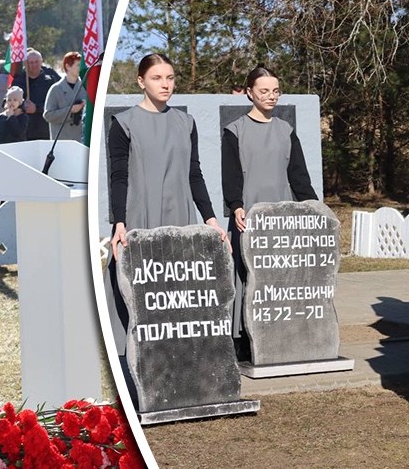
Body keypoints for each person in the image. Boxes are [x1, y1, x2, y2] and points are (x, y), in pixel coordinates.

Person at [107, 53, 227, 329]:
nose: (165, 84)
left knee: (180, 296)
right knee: (144, 298)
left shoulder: (186, 123)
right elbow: (119, 177)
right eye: (157, 78)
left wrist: (211, 220)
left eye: (170, 78)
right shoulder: (123, 123)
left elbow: (194, 174)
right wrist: (119, 222)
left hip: (181, 219)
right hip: (142, 219)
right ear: (141, 81)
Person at [220, 66, 317, 361]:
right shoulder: (234, 131)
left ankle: (282, 336)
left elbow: (299, 177)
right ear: (249, 92)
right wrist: (236, 205)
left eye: (275, 90)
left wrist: (315, 208)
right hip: (248, 217)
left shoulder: (286, 130)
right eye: (264, 91)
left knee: (280, 278)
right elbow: (231, 176)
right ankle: (244, 341)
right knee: (247, 278)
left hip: (281, 217)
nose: (271, 96)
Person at [11, 49, 61, 140]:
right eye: (31, 62)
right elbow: (8, 103)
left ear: (41, 62)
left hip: (44, 131)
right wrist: (22, 107)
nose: (34, 65)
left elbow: (56, 105)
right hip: (22, 132)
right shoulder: (18, 82)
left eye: (36, 62)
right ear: (26, 64)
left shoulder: (50, 82)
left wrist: (36, 108)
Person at [44, 52, 88, 142]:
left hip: (80, 140)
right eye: (78, 65)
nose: (80, 68)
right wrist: (70, 110)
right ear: (68, 66)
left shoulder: (84, 88)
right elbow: (48, 115)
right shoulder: (56, 89)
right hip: (62, 140)